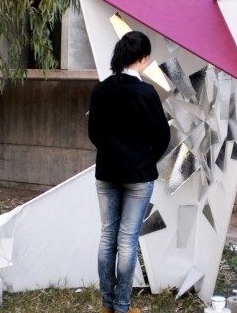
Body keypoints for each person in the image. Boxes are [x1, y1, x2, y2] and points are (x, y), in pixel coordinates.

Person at [88, 31, 171, 313]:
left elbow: (94, 133)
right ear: (143, 58)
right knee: (127, 240)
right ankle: (122, 306)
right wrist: (144, 160)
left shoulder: (100, 90)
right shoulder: (146, 92)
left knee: (107, 237)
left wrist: (113, 153)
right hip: (138, 175)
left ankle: (106, 305)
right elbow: (162, 135)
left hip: (107, 172)